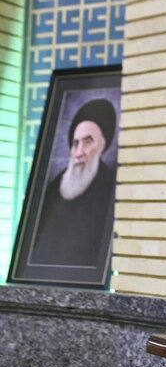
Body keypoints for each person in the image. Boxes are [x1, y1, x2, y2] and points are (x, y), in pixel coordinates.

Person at [31, 98, 117, 267]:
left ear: (103, 145)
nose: (79, 152)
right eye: (75, 143)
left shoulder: (111, 187)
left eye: (88, 142)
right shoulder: (54, 188)